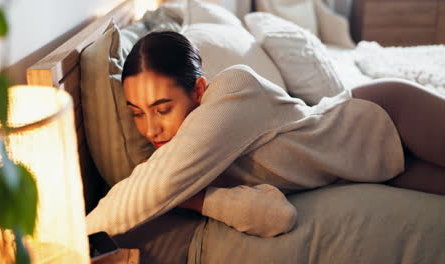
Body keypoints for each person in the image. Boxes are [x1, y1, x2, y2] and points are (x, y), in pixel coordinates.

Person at [86, 31, 445, 238]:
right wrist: (193, 198)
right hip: (376, 167)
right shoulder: (187, 164)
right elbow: (276, 216)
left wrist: (65, 239)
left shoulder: (232, 90)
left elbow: (151, 187)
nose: (150, 129)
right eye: (136, 114)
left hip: (385, 116)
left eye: (163, 109)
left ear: (198, 89)